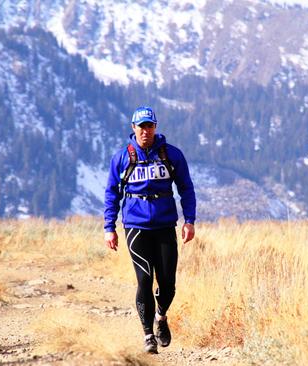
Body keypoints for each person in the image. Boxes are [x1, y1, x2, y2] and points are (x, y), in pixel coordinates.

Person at [104, 106, 196, 354]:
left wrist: (189, 220)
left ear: (155, 127)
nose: (145, 131)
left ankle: (161, 316)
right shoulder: (122, 157)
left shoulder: (172, 155)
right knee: (144, 280)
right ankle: (147, 335)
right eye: (141, 126)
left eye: (149, 126)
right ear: (133, 128)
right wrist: (109, 227)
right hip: (136, 227)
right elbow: (112, 193)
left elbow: (186, 188)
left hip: (165, 225)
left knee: (168, 283)